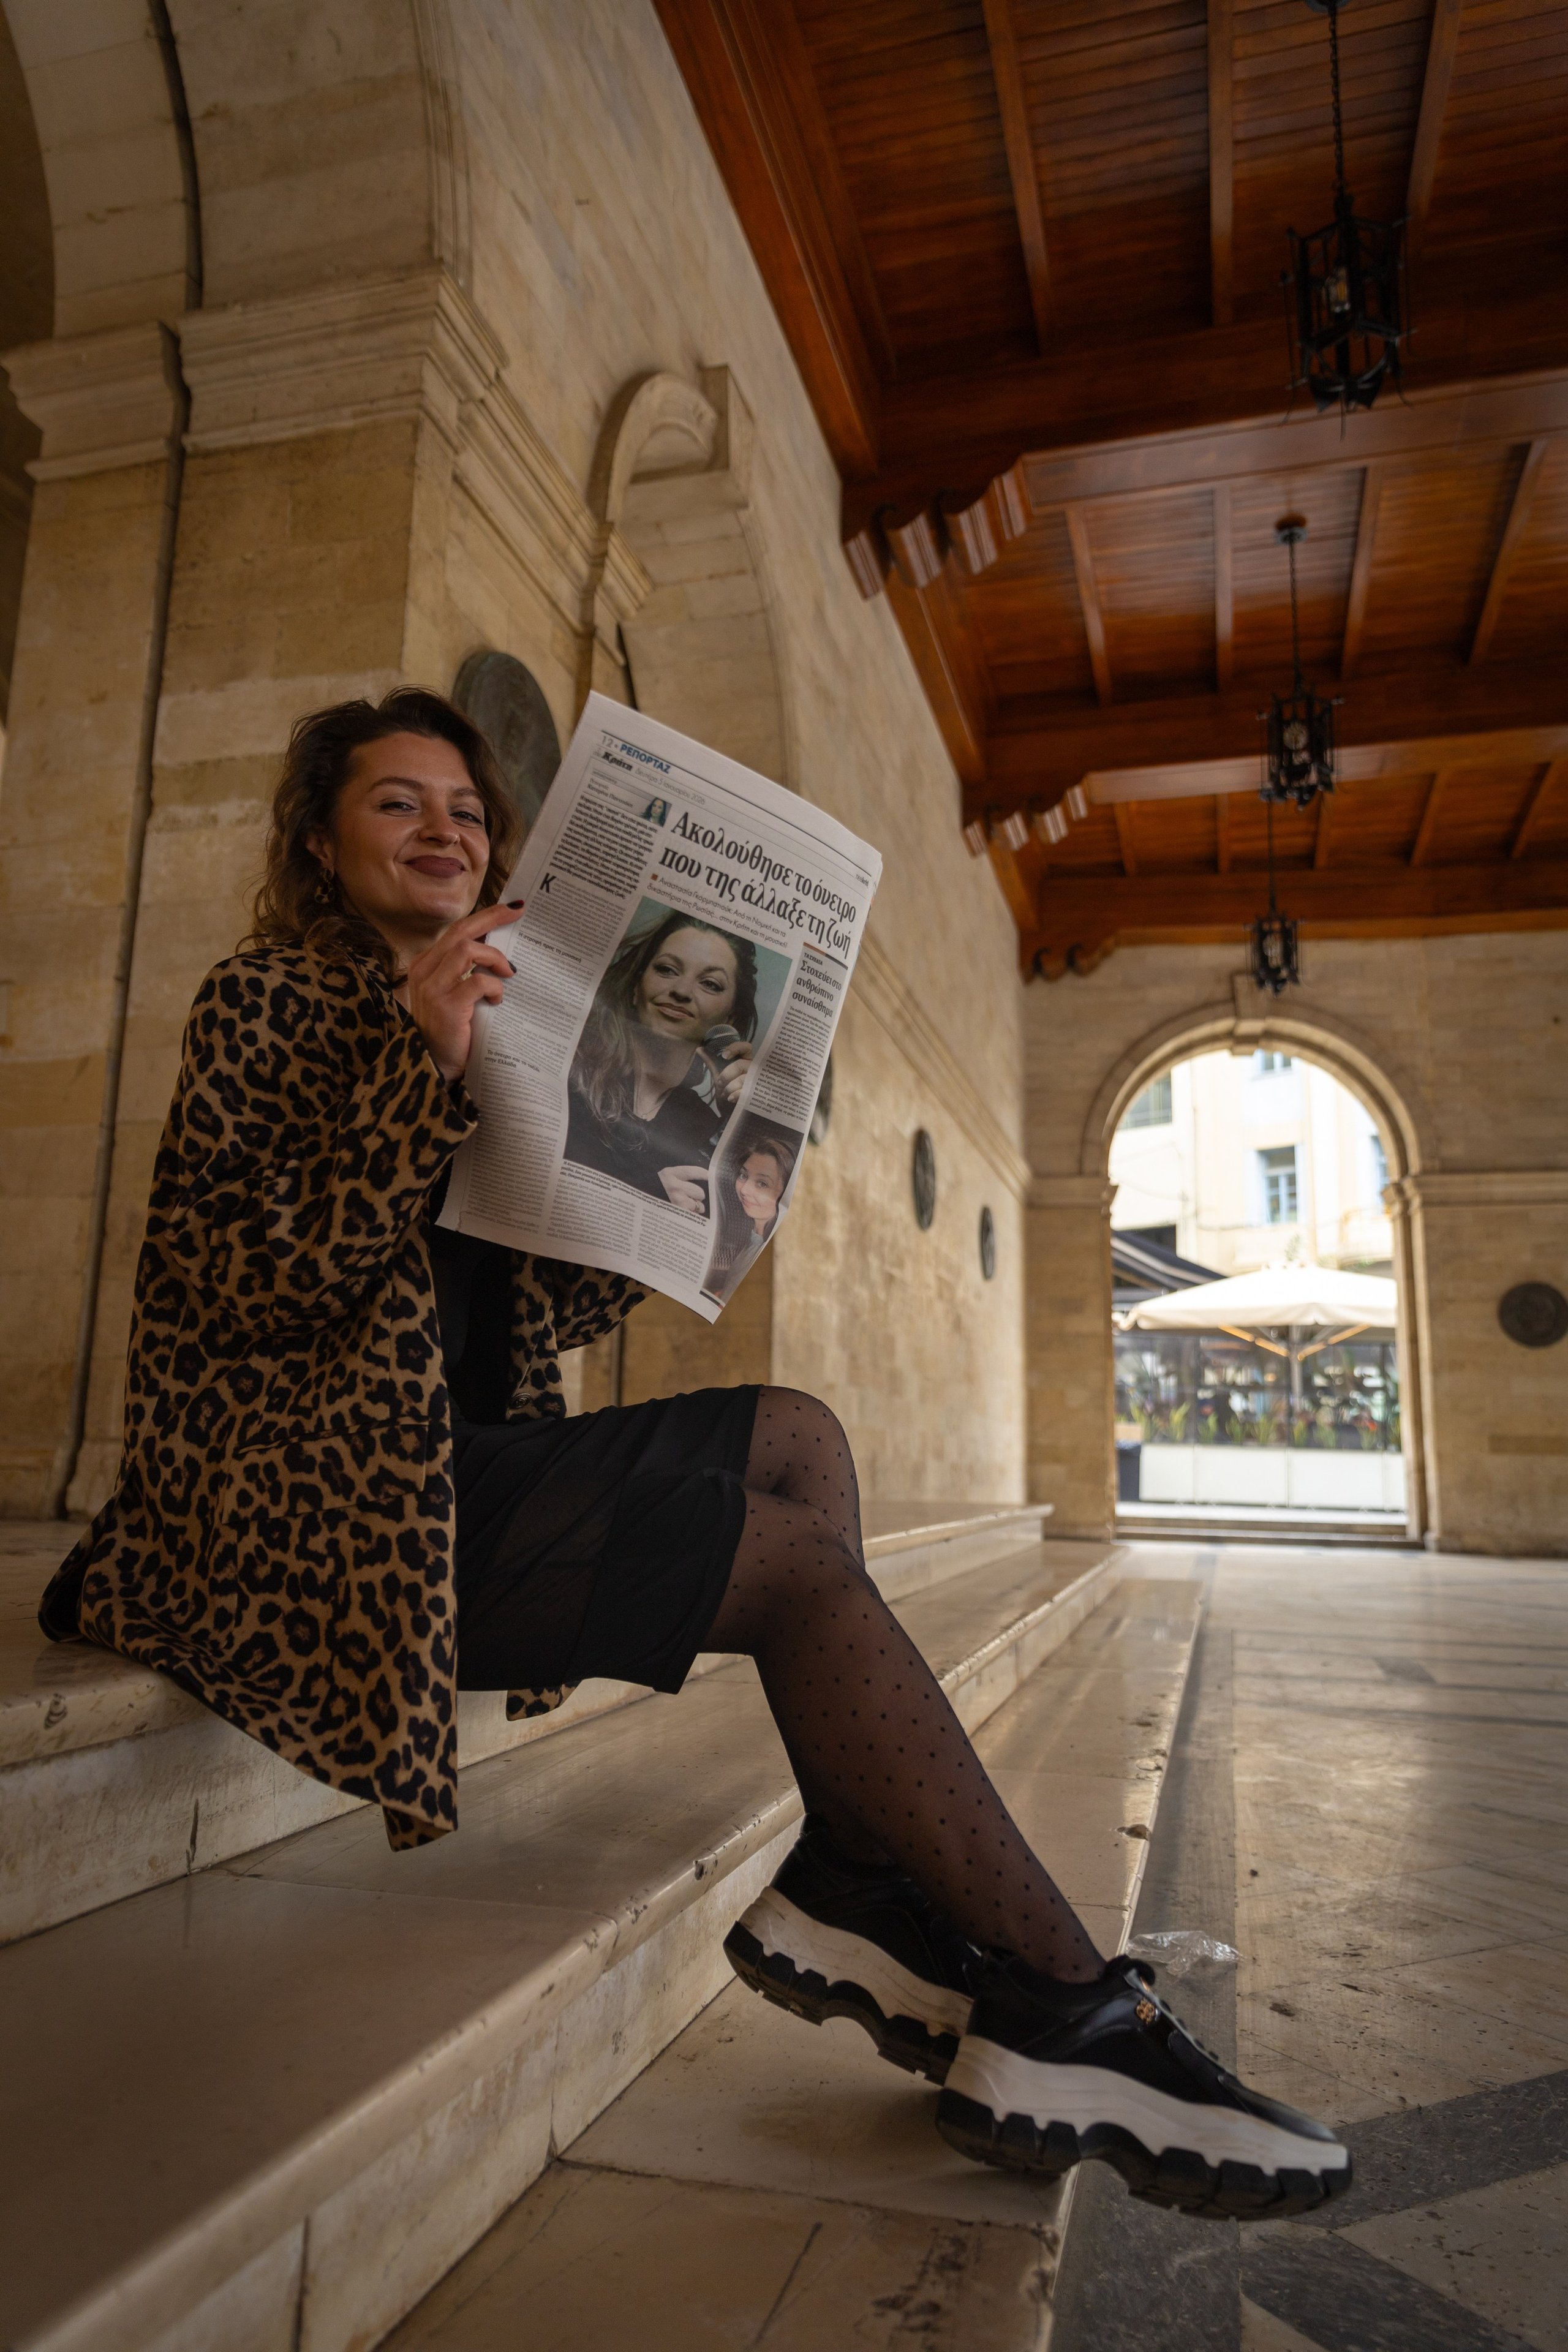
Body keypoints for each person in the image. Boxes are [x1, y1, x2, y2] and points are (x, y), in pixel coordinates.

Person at [39, 688, 1349, 2223]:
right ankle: (1069, 2002)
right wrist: (415, 1055)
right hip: (308, 1506)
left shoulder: (516, 1013)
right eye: (396, 802)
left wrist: (712, 1197)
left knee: (799, 1434)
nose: (444, 826)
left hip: (456, 1457)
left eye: (464, 805)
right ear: (320, 844)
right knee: (788, 1560)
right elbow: (245, 1279)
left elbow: (541, 1289)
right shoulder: (265, 1001)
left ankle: (863, 1879)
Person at [564, 910, 756, 1213]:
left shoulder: (702, 1122)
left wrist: (737, 1121)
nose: (681, 992)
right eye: (667, 969)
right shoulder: (571, 1071)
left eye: (710, 984)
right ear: (635, 989)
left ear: (730, 1017)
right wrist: (650, 1193)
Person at [704, 1129, 796, 1305]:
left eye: (762, 1184)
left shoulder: (770, 1258)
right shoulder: (751, 1240)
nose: (745, 1190)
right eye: (743, 1175)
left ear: (784, 1194)